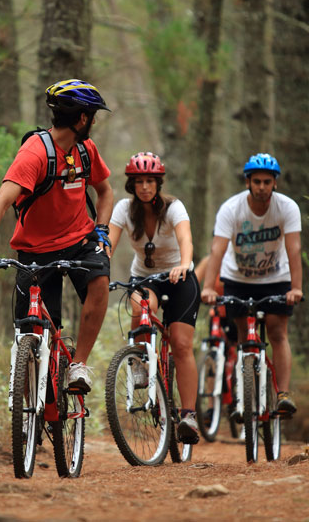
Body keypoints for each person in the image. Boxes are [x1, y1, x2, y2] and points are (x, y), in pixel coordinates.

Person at [0, 79, 114, 393]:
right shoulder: (35, 153)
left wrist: (102, 230)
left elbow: (105, 192)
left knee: (100, 280)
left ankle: (79, 365)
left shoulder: (86, 150)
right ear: (82, 118)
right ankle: (36, 397)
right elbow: (2, 199)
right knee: (33, 333)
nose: (94, 121)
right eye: (93, 115)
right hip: (36, 251)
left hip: (79, 241)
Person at [108, 152, 201, 443]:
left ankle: (188, 415)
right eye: (139, 181)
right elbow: (109, 242)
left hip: (179, 278)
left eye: (150, 181)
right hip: (146, 279)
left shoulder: (173, 207)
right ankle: (140, 366)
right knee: (140, 305)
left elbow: (186, 238)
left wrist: (184, 264)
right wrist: (99, 266)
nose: (145, 187)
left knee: (182, 345)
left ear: (158, 183)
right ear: (131, 185)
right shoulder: (124, 209)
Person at [200, 153, 303, 415]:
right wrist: (210, 287)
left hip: (275, 278)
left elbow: (294, 249)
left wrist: (296, 288)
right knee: (244, 337)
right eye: (256, 181)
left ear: (275, 183)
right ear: (247, 182)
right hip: (238, 278)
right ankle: (244, 396)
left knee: (277, 331)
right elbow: (217, 250)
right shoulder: (231, 209)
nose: (261, 187)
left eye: (267, 182)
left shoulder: (287, 208)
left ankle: (283, 393)